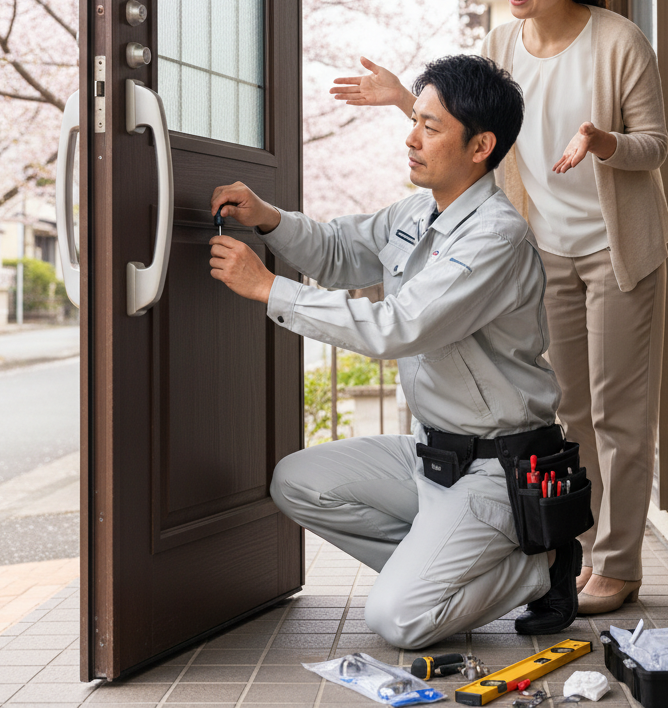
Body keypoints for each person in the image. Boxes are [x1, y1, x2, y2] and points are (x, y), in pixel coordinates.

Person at [330, 0, 668, 615]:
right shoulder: (501, 44)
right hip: (543, 254)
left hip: (617, 253)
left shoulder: (619, 42)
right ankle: (568, 554)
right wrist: (403, 98)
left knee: (622, 417)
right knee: (568, 414)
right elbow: (467, 130)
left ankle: (619, 565)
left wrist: (603, 143)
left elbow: (656, 145)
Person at [206, 54, 590, 648]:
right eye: (415, 119)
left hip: (496, 470)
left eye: (430, 127)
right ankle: (441, 567)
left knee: (398, 621)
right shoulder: (418, 210)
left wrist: (268, 288)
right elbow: (339, 250)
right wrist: (269, 219)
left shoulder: (496, 237)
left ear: (481, 145)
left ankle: (541, 569)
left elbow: (400, 326)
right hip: (429, 456)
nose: (410, 137)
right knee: (296, 482)